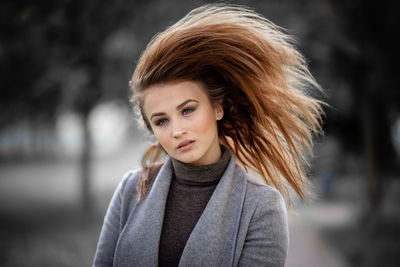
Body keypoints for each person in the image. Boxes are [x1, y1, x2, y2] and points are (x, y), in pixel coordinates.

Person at [93, 4, 324, 267]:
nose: (177, 130)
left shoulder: (261, 206)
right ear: (151, 128)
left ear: (217, 108)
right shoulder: (131, 189)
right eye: (162, 120)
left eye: (188, 110)